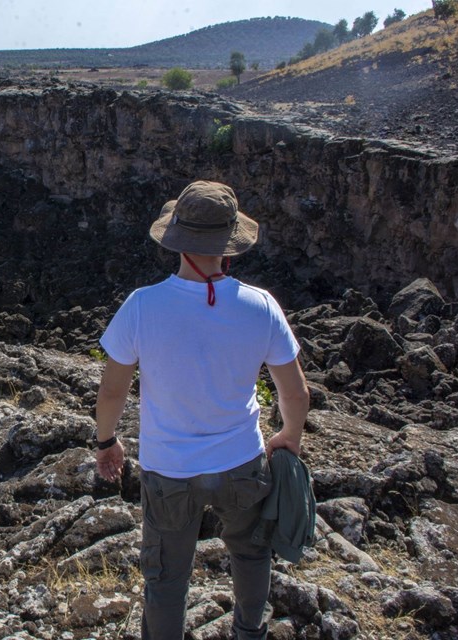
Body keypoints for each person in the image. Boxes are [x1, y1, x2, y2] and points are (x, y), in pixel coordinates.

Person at [94, 180, 310, 640]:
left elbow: (113, 391)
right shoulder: (261, 305)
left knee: (168, 577)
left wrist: (107, 443)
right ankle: (249, 632)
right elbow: (295, 394)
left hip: (168, 470)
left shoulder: (141, 306)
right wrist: (289, 436)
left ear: (176, 239)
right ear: (228, 243)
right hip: (242, 464)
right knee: (252, 554)